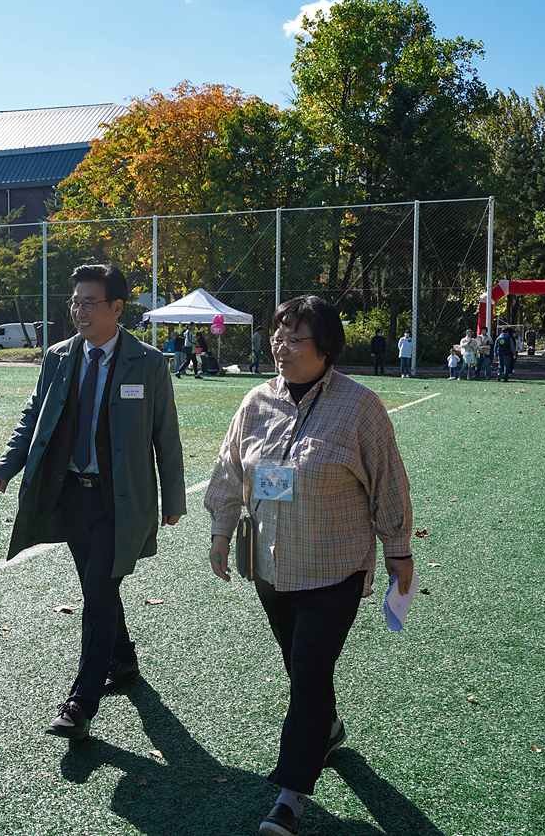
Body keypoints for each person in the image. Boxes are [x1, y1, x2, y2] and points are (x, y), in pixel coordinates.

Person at [204, 295, 413, 836]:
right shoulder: (255, 402)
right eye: (278, 335)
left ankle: (290, 796)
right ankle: (328, 729)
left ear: (326, 347)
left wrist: (399, 552)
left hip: (335, 566)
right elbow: (230, 471)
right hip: (271, 566)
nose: (282, 346)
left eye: (295, 338)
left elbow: (388, 483)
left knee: (309, 673)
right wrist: (221, 534)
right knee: (304, 670)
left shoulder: (360, 406)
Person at [0, 263, 186, 741]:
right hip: (69, 495)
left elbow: (166, 435)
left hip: (121, 501)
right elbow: (33, 415)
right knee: (98, 588)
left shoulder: (149, 363)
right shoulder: (58, 356)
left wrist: (173, 497)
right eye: (75, 302)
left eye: (89, 302)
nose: (78, 310)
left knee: (96, 592)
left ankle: (81, 703)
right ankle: (123, 657)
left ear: (117, 308)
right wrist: (8, 464)